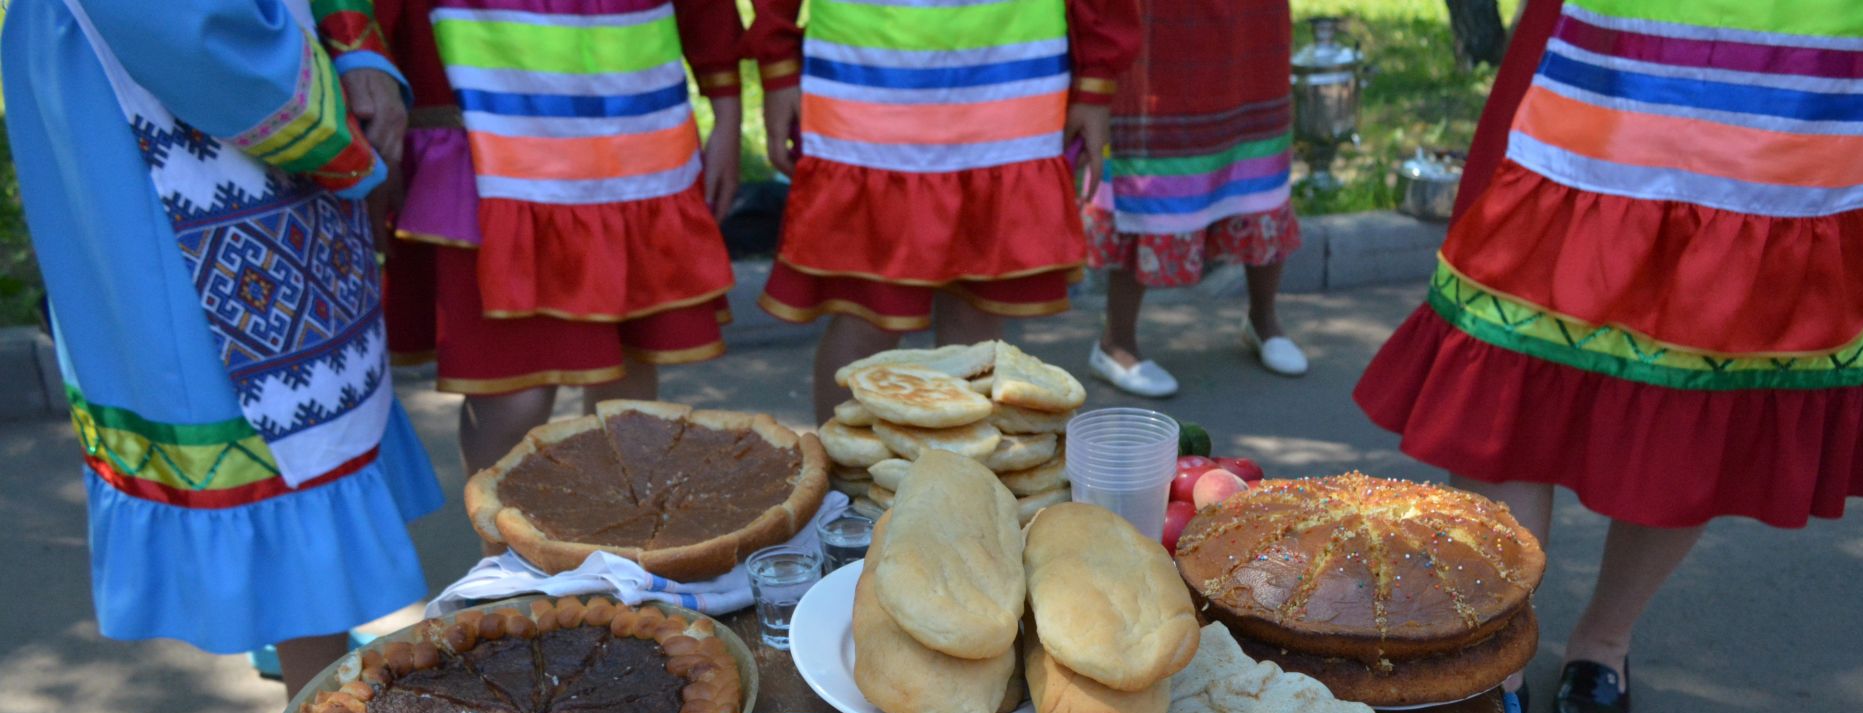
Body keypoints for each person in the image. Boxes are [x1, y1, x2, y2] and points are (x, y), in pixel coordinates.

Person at [1354, 0, 1863, 713]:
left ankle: (1605, 639)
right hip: (1619, 38)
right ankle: (1492, 640)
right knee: (1517, 330)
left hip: (1821, 56)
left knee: (1709, 359)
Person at [2, 0, 444, 699]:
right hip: (185, 104)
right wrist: (329, 127)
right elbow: (187, 30)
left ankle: (317, 701)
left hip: (240, 79)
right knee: (273, 445)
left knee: (299, 441)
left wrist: (358, 53)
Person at [377, 0, 746, 475]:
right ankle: (502, 545)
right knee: (514, 401)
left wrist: (728, 109)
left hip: (631, 141)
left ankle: (621, 538)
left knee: (627, 382)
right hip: (484, 139)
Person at [747, 0, 1142, 424]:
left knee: (977, 311)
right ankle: (841, 480)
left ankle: (961, 478)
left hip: (1008, 79)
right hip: (869, 85)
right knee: (867, 313)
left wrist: (1096, 84)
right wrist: (778, 68)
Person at [1084, 0, 1307, 398]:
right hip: (1161, 23)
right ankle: (1116, 342)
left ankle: (1264, 319)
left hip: (1252, 23)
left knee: (1258, 166)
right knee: (1153, 170)